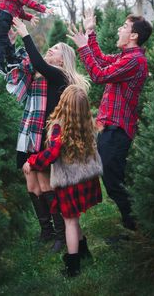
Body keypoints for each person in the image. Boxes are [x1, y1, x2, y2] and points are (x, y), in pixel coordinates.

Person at [8, 17, 89, 252]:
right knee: (31, 184)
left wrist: (25, 32)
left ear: (62, 59)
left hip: (47, 138)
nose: (48, 52)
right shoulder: (43, 77)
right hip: (32, 133)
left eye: (53, 50)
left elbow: (39, 64)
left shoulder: (60, 76)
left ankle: (62, 234)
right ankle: (46, 231)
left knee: (45, 184)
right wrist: (12, 44)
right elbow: (23, 66)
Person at [67, 10, 153, 233]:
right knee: (113, 178)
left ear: (134, 35)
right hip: (111, 127)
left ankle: (135, 228)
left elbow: (98, 75)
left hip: (118, 129)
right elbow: (102, 61)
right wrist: (90, 32)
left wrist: (83, 46)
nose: (119, 29)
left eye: (124, 26)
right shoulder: (126, 57)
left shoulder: (135, 61)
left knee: (114, 181)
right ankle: (133, 225)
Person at [23, 85, 102, 277]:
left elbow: (52, 152)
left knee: (70, 223)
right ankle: (84, 252)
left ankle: (72, 266)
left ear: (64, 102)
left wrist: (32, 162)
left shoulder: (60, 124)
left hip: (69, 181)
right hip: (84, 179)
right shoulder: (85, 122)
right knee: (74, 219)